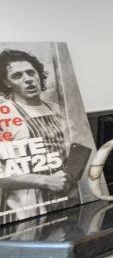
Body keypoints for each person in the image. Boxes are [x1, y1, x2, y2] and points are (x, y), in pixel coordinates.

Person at [0, 49, 77, 222]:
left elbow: (76, 148)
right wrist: (44, 180)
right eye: (17, 76)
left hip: (65, 200)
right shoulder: (4, 115)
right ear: (6, 82)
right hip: (24, 209)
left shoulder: (56, 109)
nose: (28, 79)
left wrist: (70, 177)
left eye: (30, 72)